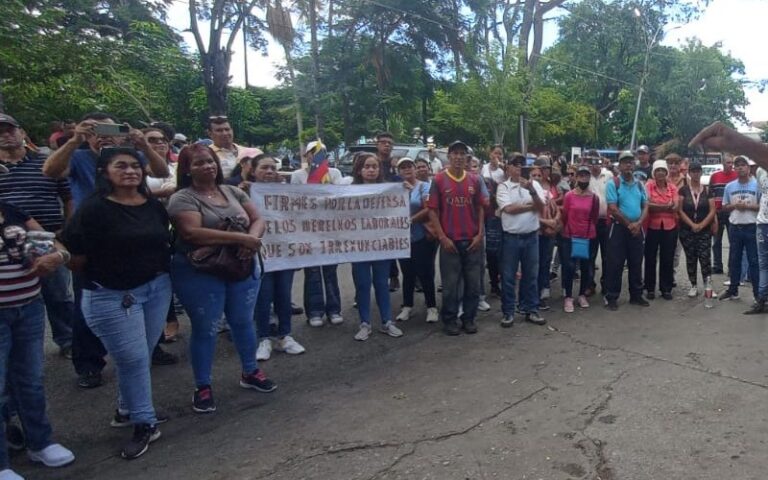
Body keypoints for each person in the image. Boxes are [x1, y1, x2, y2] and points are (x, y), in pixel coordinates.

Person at [43, 112, 171, 389]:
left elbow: (161, 172)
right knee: (88, 301)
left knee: (146, 295)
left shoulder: (130, 156)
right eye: (95, 130)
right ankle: (89, 363)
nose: (104, 135)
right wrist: (74, 140)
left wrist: (143, 145)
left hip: (134, 231)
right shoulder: (78, 156)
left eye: (110, 129)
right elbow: (51, 172)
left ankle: (150, 348)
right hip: (91, 237)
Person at [62, 147, 171, 459]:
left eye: (136, 166)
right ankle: (145, 423)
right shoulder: (93, 209)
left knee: (141, 354)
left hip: (156, 288)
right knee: (133, 359)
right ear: (104, 172)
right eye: (121, 166)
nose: (130, 171)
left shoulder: (150, 203)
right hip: (111, 295)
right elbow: (72, 255)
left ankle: (127, 409)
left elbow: (163, 236)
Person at [168, 143, 276, 414]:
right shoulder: (182, 198)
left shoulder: (232, 191)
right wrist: (241, 238)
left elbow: (258, 219)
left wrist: (252, 240)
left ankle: (250, 371)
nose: (207, 166)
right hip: (201, 272)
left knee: (242, 321)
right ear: (187, 169)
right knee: (206, 327)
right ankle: (202, 385)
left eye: (210, 161)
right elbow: (192, 233)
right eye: (199, 163)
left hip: (240, 266)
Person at [0, 200, 76, 478]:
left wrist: (57, 257)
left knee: (30, 380)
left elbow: (54, 244)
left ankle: (40, 442)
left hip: (28, 306)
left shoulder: (11, 211)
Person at [0, 114, 74, 358]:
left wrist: (68, 226)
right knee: (16, 296)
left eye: (11, 129)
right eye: (1, 131)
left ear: (23, 133)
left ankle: (68, 340)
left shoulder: (45, 163)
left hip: (48, 237)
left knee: (59, 295)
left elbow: (67, 196)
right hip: (8, 244)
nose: (6, 134)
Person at [427, 141, 488, 335]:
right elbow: (432, 211)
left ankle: (468, 319)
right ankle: (450, 320)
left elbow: (480, 208)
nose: (459, 157)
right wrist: (442, 237)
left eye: (463, 154)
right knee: (450, 286)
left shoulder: (475, 180)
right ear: (449, 156)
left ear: (466, 158)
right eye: (455, 153)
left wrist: (480, 234)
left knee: (473, 285)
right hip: (450, 242)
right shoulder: (438, 180)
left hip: (472, 241)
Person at [250, 154, 305, 360]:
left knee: (284, 296)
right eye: (264, 168)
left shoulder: (286, 193)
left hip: (284, 254)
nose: (270, 172)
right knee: (262, 298)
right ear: (253, 170)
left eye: (273, 168)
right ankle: (264, 339)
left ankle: (285, 336)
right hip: (260, 256)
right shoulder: (245, 193)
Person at [348, 152, 403, 340]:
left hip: (382, 245)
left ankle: (387, 321)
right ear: (359, 170)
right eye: (367, 167)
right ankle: (365, 323)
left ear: (380, 170)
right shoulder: (348, 190)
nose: (371, 170)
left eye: (374, 167)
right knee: (362, 285)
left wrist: (406, 188)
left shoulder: (388, 190)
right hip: (359, 246)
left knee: (382, 284)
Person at [290, 142, 344, 327]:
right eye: (314, 153)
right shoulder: (297, 176)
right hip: (308, 230)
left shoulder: (334, 173)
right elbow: (295, 202)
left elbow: (339, 198)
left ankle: (334, 309)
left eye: (322, 152)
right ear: (307, 156)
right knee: (312, 271)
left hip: (330, 230)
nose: (318, 156)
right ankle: (314, 311)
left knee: (330, 271)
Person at [497, 154, 547, 327]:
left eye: (521, 165)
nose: (518, 168)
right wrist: (531, 206)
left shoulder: (535, 185)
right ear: (508, 168)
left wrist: (531, 190)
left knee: (531, 276)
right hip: (511, 237)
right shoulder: (503, 187)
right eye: (515, 164)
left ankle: (531, 309)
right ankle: (508, 312)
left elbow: (541, 207)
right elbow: (509, 209)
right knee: (508, 277)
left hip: (531, 236)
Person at [394, 157, 438, 323]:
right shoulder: (395, 189)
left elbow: (428, 208)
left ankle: (431, 307)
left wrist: (411, 220)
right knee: (408, 273)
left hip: (421, 236)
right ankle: (407, 306)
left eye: (409, 166)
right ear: (398, 172)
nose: (407, 170)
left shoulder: (424, 186)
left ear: (414, 169)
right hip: (403, 238)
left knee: (425, 272)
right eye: (403, 167)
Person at [604, 151, 649, 310]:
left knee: (636, 262)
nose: (628, 165)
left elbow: (645, 206)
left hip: (637, 228)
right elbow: (613, 208)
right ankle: (612, 297)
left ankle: (636, 295)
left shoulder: (639, 184)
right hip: (618, 228)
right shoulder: (613, 183)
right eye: (625, 162)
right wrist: (630, 224)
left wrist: (638, 223)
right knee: (615, 263)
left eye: (631, 162)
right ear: (620, 165)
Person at [719, 155, 759, 302]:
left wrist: (747, 206)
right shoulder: (730, 186)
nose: (740, 167)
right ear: (734, 168)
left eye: (743, 165)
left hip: (752, 227)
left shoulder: (757, 185)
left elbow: (763, 207)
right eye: (738, 165)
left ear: (749, 168)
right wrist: (734, 206)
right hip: (735, 227)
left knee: (754, 261)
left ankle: (758, 294)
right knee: (734, 259)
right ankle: (733, 290)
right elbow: (724, 207)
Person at [560, 166, 599, 312]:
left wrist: (588, 230)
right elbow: (564, 215)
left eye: (586, 176)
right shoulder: (569, 196)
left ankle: (582, 294)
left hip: (588, 235)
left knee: (586, 267)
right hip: (570, 235)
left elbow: (594, 217)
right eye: (581, 176)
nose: (584, 178)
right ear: (576, 178)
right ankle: (568, 296)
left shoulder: (594, 197)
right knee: (569, 267)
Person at [678, 161, 716, 298]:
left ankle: (708, 286)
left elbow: (712, 210)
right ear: (689, 173)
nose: (696, 173)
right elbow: (680, 210)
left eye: (698, 171)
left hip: (704, 230)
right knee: (691, 258)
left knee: (705, 258)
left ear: (701, 173)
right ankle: (693, 285)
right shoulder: (683, 190)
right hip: (687, 230)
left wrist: (701, 225)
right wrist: (692, 225)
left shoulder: (707, 190)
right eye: (693, 171)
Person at [643, 159, 679, 300]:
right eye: (657, 170)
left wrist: (657, 206)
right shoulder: (649, 186)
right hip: (652, 226)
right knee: (650, 258)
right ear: (653, 172)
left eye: (662, 170)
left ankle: (666, 289)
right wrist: (665, 207)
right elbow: (647, 204)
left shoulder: (672, 187)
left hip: (670, 227)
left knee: (668, 258)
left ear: (666, 173)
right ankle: (649, 288)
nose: (660, 173)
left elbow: (675, 206)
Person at [587, 152, 613, 295]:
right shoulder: (585, 176)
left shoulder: (608, 176)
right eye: (591, 162)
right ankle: (590, 284)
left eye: (597, 162)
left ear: (601, 162)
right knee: (590, 254)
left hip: (606, 220)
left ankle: (606, 283)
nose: (594, 165)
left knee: (607, 255)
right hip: (591, 221)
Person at [709, 154, 737, 274]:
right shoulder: (715, 176)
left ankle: (732, 267)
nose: (730, 165)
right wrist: (712, 212)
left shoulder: (736, 176)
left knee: (733, 242)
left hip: (732, 212)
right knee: (716, 241)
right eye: (728, 163)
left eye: (732, 163)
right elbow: (711, 194)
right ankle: (717, 266)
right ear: (722, 163)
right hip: (718, 212)